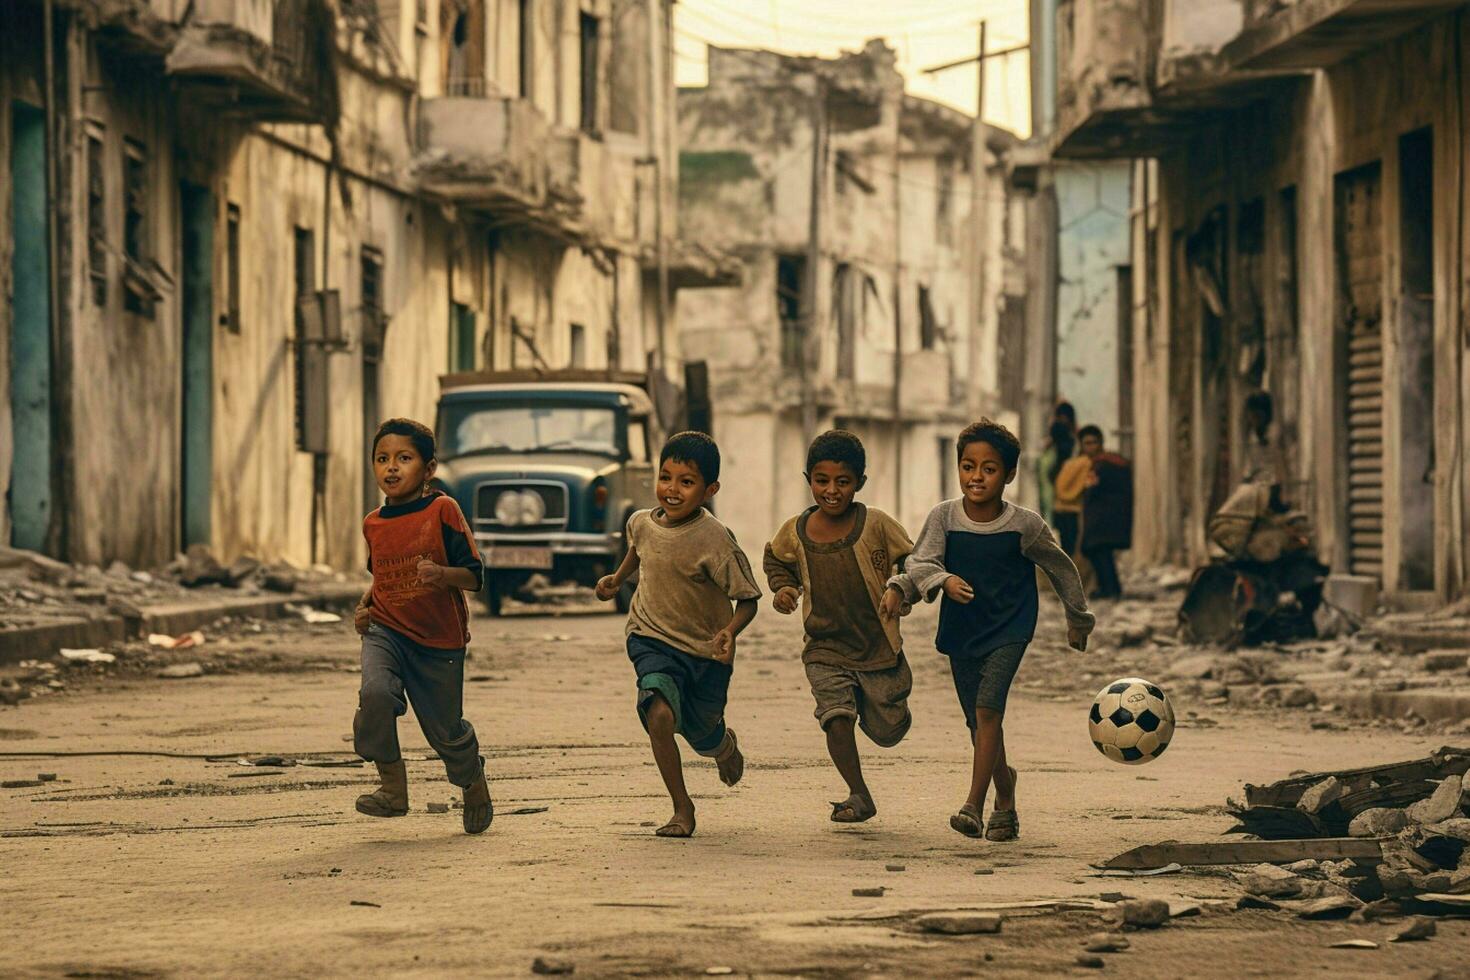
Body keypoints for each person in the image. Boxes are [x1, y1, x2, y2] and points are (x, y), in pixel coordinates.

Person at [889, 419, 1093, 842]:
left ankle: (972, 806)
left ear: (1010, 474)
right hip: (963, 631)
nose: (976, 477)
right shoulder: (944, 516)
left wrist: (1077, 618)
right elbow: (920, 562)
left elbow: (1061, 568)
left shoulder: (1025, 525)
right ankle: (1006, 791)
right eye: (968, 466)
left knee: (987, 710)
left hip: (1010, 627)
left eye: (988, 469)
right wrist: (922, 584)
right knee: (978, 724)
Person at [595, 431, 761, 838]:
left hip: (704, 652)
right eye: (665, 477)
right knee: (660, 713)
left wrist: (729, 632)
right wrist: (617, 580)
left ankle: (722, 747)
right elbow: (639, 548)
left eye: (686, 482)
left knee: (701, 731)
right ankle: (681, 807)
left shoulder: (716, 540)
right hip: (650, 637)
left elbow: (749, 599)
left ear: (709, 490)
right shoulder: (640, 522)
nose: (671, 490)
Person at [763, 430, 916, 824]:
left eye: (842, 482)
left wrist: (901, 589)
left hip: (876, 644)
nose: (831, 491)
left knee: (888, 729)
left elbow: (914, 562)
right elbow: (775, 559)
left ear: (859, 483)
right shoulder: (795, 531)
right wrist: (783, 589)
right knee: (835, 714)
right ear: (808, 479)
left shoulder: (877, 524)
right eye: (822, 481)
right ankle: (859, 794)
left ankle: (881, 707)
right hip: (824, 646)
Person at [352, 418, 493, 835]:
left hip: (438, 641)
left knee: (446, 731)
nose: (391, 468)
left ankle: (472, 782)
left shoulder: (442, 510)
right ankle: (393, 790)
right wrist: (364, 608)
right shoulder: (373, 522)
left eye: (404, 458)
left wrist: (442, 575)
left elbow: (474, 575)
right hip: (387, 631)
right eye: (382, 459)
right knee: (375, 695)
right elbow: (381, 578)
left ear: (428, 469)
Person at [1077, 425, 1133, 600]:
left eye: (1093, 442)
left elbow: (1094, 489)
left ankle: (1110, 589)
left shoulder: (1107, 464)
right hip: (1104, 516)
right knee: (1099, 552)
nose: (1090, 447)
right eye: (1086, 443)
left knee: (1098, 550)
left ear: (1100, 443)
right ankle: (1108, 588)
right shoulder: (1102, 463)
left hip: (1105, 518)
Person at [1048, 420, 1084, 556]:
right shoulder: (1072, 453)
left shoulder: (1057, 453)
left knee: (1068, 548)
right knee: (1073, 549)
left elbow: (1052, 476)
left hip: (1062, 507)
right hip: (1073, 508)